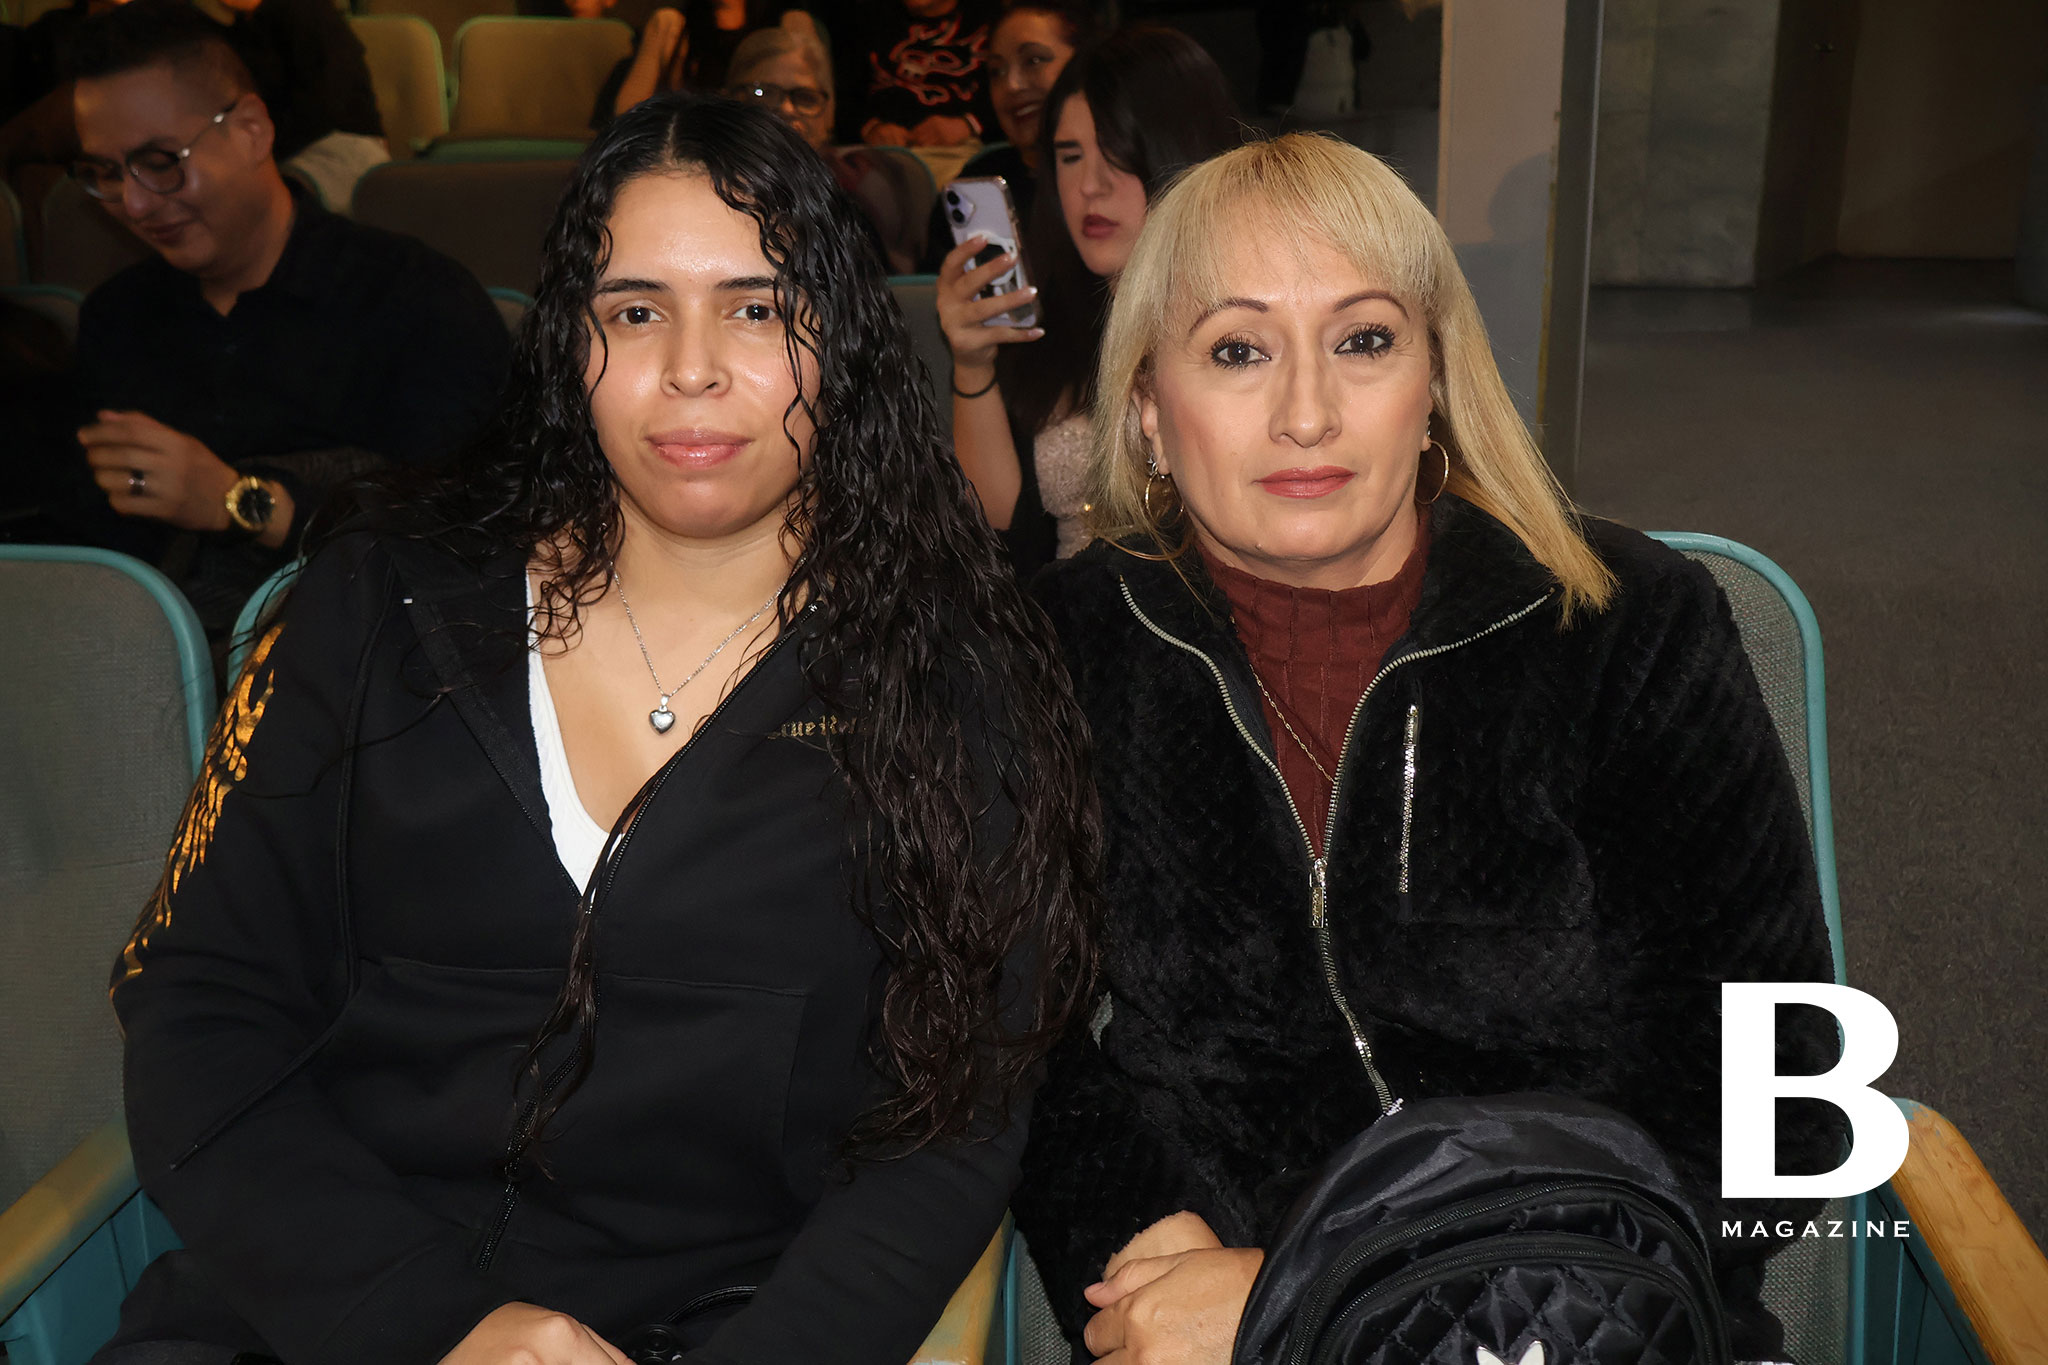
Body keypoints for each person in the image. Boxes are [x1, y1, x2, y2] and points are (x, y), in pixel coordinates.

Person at [99, 94, 1097, 1365]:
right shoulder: (375, 600)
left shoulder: (949, 674)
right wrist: (432, 1326)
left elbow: (953, 1122)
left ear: (840, 341)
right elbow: (198, 1003)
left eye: (755, 308)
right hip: (322, 1316)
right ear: (570, 342)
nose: (691, 368)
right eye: (634, 311)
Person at [1008, 132, 1845, 1364]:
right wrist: (1144, 1242)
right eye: (1237, 350)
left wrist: (1325, 1294)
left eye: (1362, 340)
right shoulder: (1054, 654)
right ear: (1143, 410)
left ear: (1435, 382)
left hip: (1591, 1320)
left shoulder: (1627, 627)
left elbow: (1780, 1094)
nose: (1305, 412)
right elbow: (1006, 1041)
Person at [67, 0, 507, 645]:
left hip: (370, 659)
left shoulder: (414, 299)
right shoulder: (117, 318)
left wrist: (238, 500)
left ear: (250, 130)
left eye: (160, 162)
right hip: (140, 663)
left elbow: (473, 532)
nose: (134, 204)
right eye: (106, 173)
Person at [937, 25, 1236, 576]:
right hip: (1058, 614)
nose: (1090, 186)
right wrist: (972, 364)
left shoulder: (1246, 318)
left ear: (1179, 153)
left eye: (1117, 154)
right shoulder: (1048, 315)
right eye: (1070, 156)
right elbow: (994, 534)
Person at [915, 0, 1091, 272]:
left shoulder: (1119, 177)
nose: (1011, 85)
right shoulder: (975, 185)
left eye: (1033, 60)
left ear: (1086, 63)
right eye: (996, 71)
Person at [214, 0, 388, 212]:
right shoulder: (212, 29)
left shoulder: (305, 11)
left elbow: (326, 108)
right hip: (272, 156)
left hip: (340, 145)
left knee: (262, 203)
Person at [591, 0, 818, 127]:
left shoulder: (789, 23)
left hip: (766, 145)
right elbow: (625, 113)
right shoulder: (671, 25)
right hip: (694, 144)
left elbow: (817, 111)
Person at [853, 0, 993, 149]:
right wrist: (871, 128)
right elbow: (846, 98)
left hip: (965, 150)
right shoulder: (866, 18)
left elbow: (1004, 101)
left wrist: (968, 124)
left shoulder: (991, 21)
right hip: (881, 153)